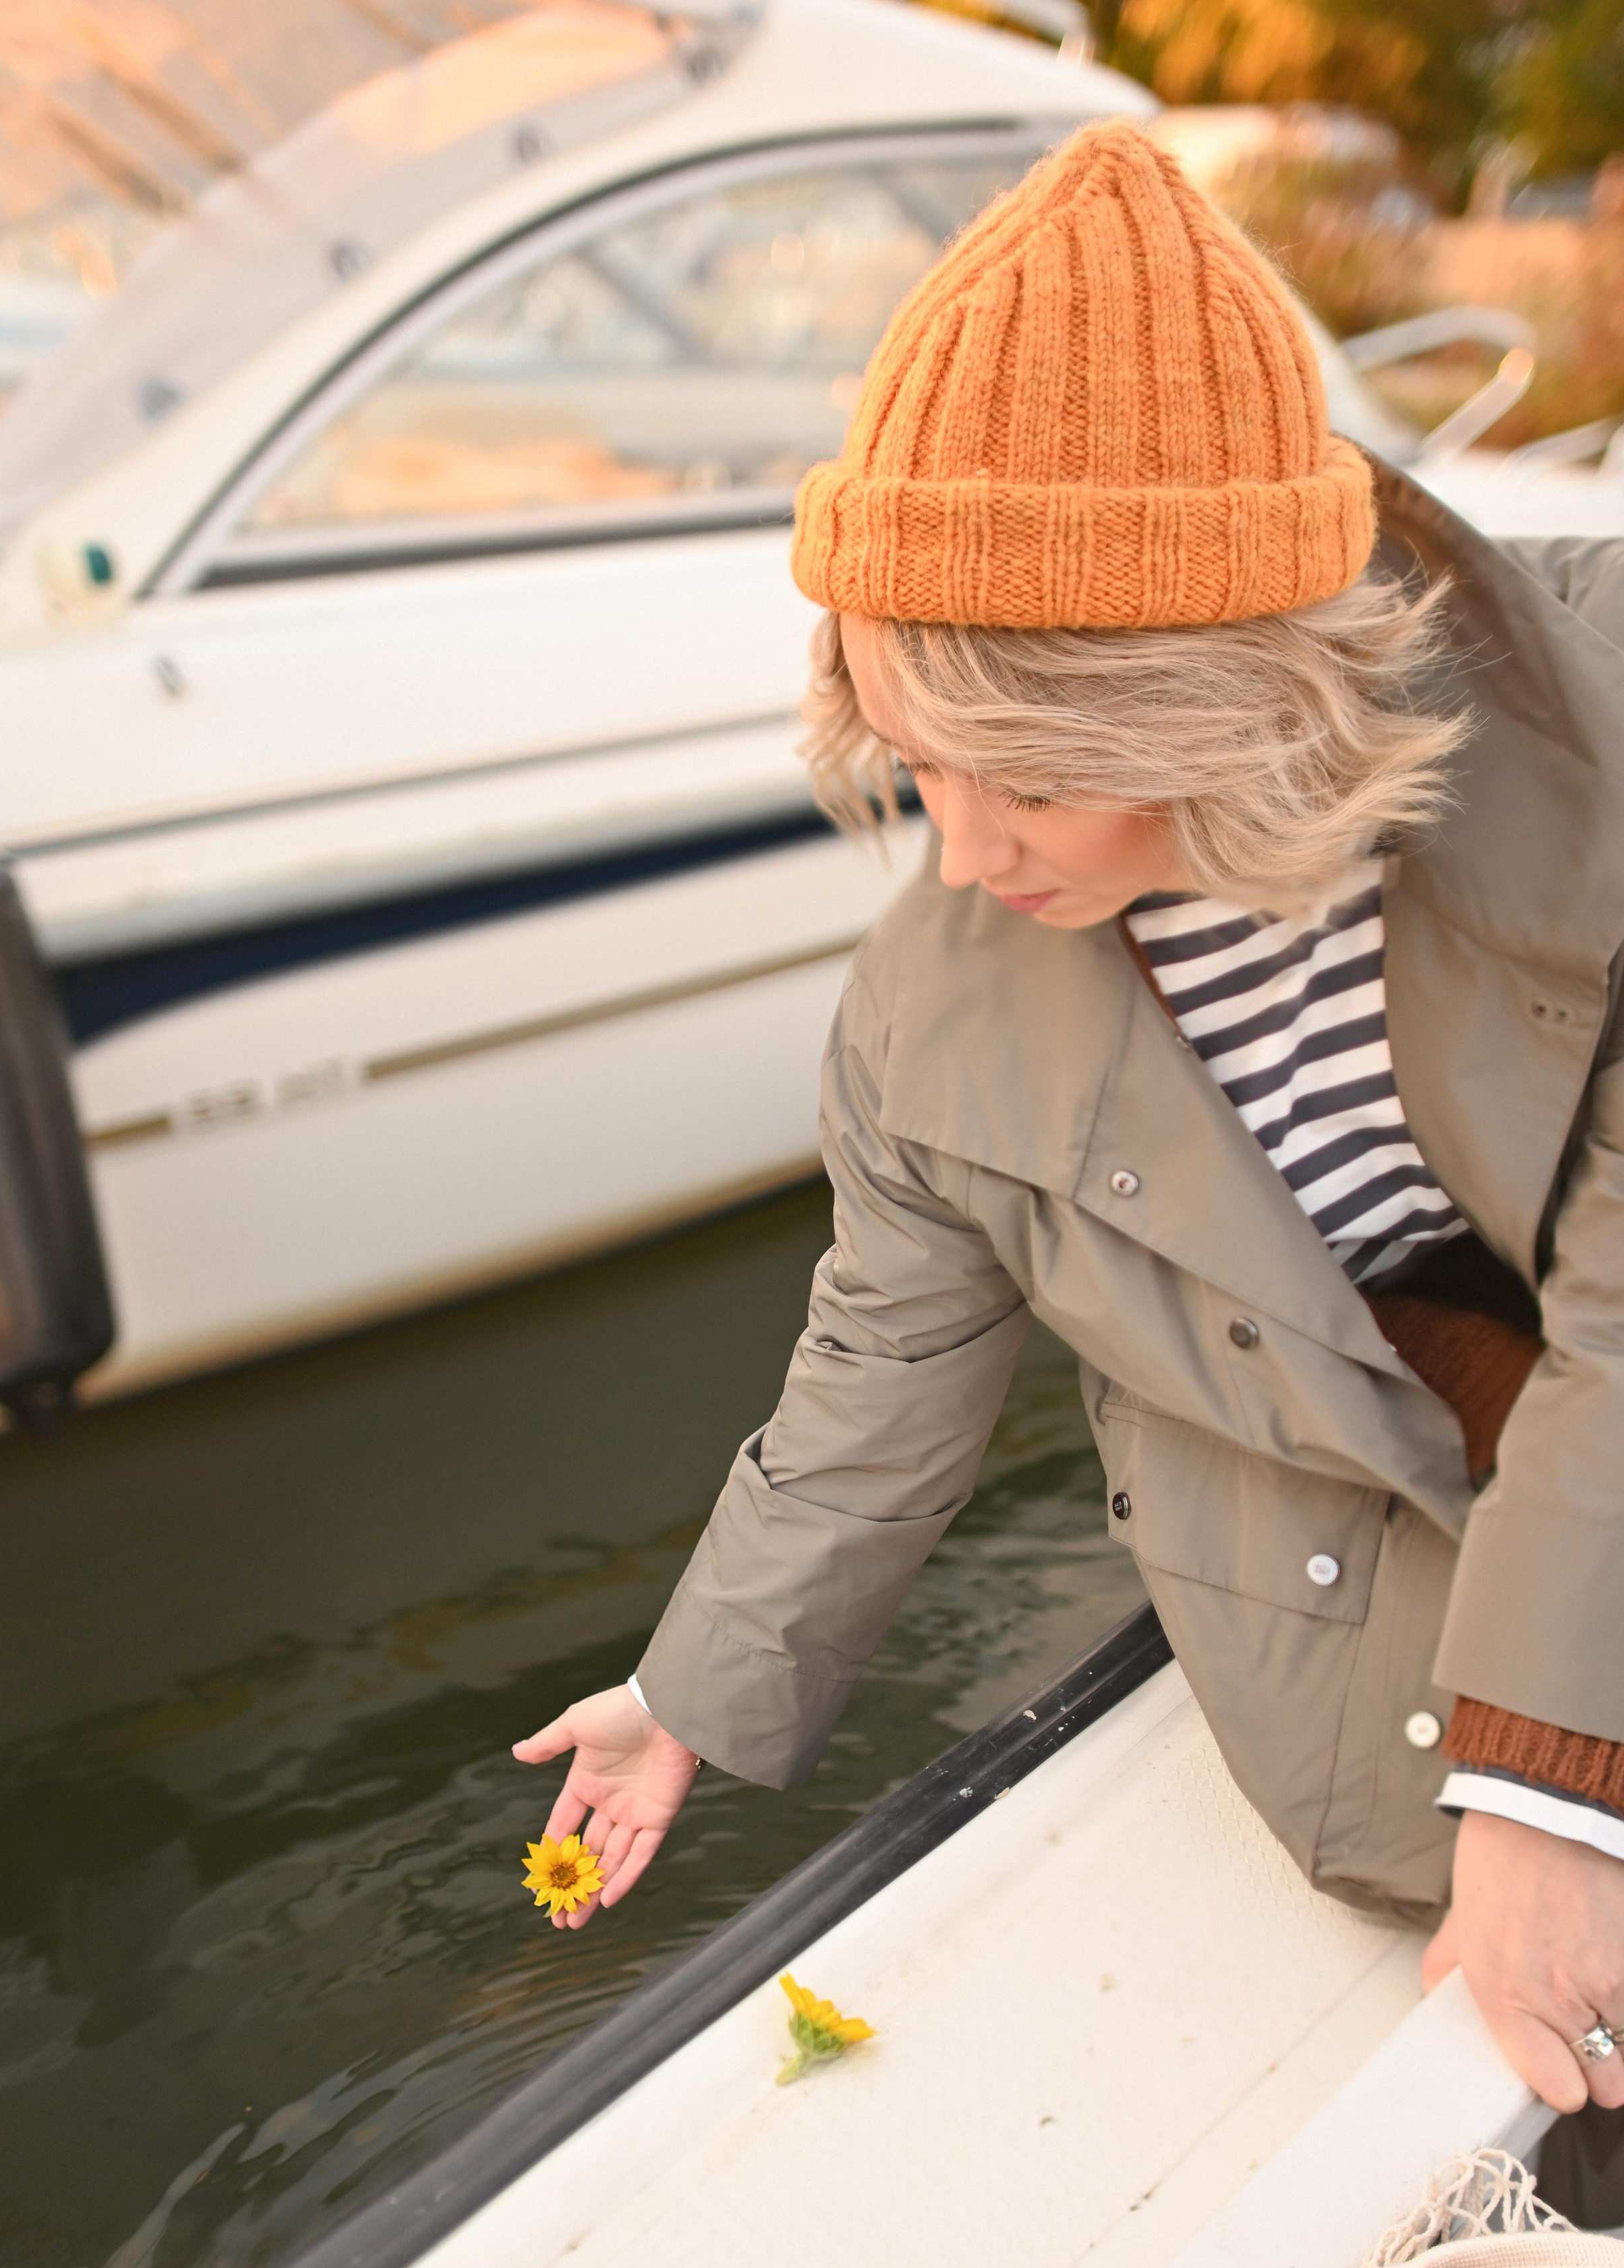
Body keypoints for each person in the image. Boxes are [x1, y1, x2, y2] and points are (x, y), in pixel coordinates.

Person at [515, 119, 1624, 2126]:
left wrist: (1549, 1778)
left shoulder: (1596, 751)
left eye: (1023, 771)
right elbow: (878, 1379)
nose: (964, 850)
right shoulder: (930, 1025)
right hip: (1366, 1603)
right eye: (915, 762)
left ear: (1208, 700)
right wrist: (690, 1697)